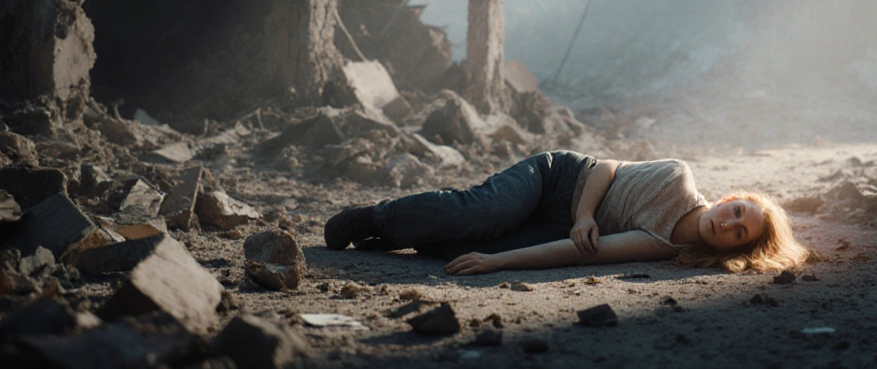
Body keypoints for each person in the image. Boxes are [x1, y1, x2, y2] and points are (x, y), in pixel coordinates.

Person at [324, 150, 808, 276]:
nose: (727, 224)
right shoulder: (677, 177)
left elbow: (583, 256)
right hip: (558, 179)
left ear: (730, 250)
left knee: (476, 250)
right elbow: (604, 168)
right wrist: (584, 216)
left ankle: (402, 235)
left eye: (737, 234)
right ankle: (376, 218)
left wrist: (497, 264)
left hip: (559, 226)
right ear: (731, 198)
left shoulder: (665, 246)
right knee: (485, 211)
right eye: (737, 212)